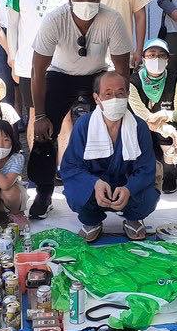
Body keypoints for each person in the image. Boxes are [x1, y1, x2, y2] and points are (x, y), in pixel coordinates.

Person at [29, 0, 133, 219]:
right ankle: (44, 192)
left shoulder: (112, 19)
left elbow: (121, 71)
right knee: (44, 133)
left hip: (97, 75)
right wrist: (40, 115)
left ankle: (117, 186)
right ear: (69, 0)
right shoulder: (54, 19)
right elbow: (37, 70)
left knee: (117, 126)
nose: (86, 2)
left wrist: (118, 106)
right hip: (60, 75)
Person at [60, 71, 159, 242]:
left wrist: (129, 188)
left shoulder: (139, 126)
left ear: (127, 95)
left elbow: (146, 168)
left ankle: (133, 218)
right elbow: (71, 166)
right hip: (95, 187)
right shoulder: (84, 125)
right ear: (96, 98)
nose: (115, 99)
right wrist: (94, 183)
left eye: (120, 93)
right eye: (108, 94)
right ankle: (92, 220)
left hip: (127, 185)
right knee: (75, 192)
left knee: (148, 195)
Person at [6, 0, 77, 133]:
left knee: (64, 116)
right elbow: (12, 23)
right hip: (29, 61)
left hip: (62, 62)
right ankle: (37, 155)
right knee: (35, 114)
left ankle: (64, 155)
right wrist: (13, 57)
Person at [128, 38, 177, 194]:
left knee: (172, 136)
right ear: (143, 58)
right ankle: (149, 170)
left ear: (168, 59)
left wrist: (164, 114)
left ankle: (169, 172)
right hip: (143, 126)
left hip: (166, 128)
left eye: (162, 55)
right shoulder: (133, 82)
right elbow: (145, 117)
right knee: (141, 132)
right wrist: (170, 130)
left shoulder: (176, 79)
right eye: (152, 54)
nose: (157, 58)